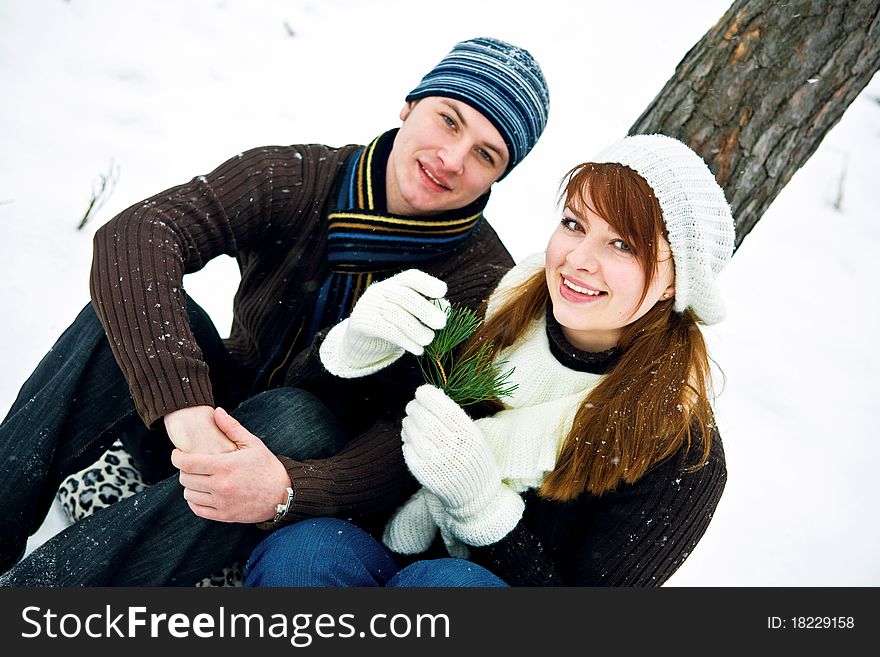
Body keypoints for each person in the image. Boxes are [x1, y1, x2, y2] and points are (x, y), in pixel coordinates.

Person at [0, 36, 550, 586]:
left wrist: (289, 488)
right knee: (117, 320)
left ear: (498, 177)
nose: (451, 160)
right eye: (448, 120)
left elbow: (413, 444)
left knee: (297, 417)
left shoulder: (479, 283)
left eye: (486, 154)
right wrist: (186, 408)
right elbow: (140, 234)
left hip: (306, 482)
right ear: (409, 106)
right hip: (206, 426)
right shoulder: (302, 178)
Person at [241, 133, 735, 587]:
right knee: (303, 554)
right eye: (573, 224)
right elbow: (335, 411)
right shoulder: (495, 308)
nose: (578, 258)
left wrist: (486, 514)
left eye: (622, 245)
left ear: (676, 282)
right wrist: (354, 347)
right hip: (383, 548)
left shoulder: (681, 453)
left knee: (447, 586)